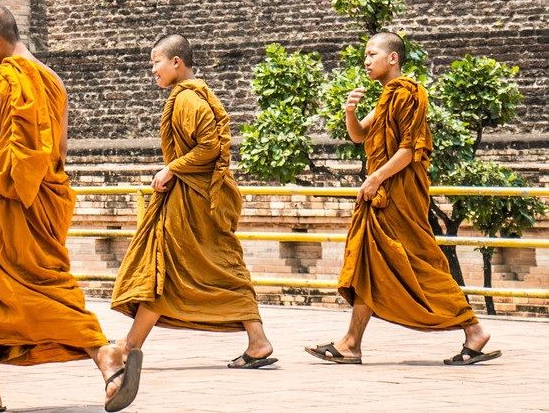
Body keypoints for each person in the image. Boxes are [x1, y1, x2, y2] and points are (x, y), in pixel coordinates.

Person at [0, 4, 142, 413]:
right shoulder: (53, 80)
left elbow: (23, 148)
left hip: (9, 203)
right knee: (22, 288)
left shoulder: (9, 76)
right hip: (43, 202)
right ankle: (91, 360)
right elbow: (58, 149)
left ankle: (101, 353)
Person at [305, 31, 501, 367]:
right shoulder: (385, 97)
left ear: (392, 58)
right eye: (365, 57)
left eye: (371, 55)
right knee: (370, 262)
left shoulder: (409, 93)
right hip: (382, 194)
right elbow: (360, 135)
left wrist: (375, 178)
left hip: (397, 195)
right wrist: (350, 112)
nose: (366, 62)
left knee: (419, 263)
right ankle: (351, 343)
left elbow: (410, 150)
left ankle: (473, 329)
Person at [111, 33, 277, 370]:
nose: (152, 70)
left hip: (193, 200)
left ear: (176, 62)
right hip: (191, 198)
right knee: (205, 269)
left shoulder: (188, 100)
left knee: (169, 270)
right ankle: (257, 340)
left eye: (156, 62)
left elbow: (210, 147)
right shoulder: (184, 95)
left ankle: (129, 346)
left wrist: (172, 168)